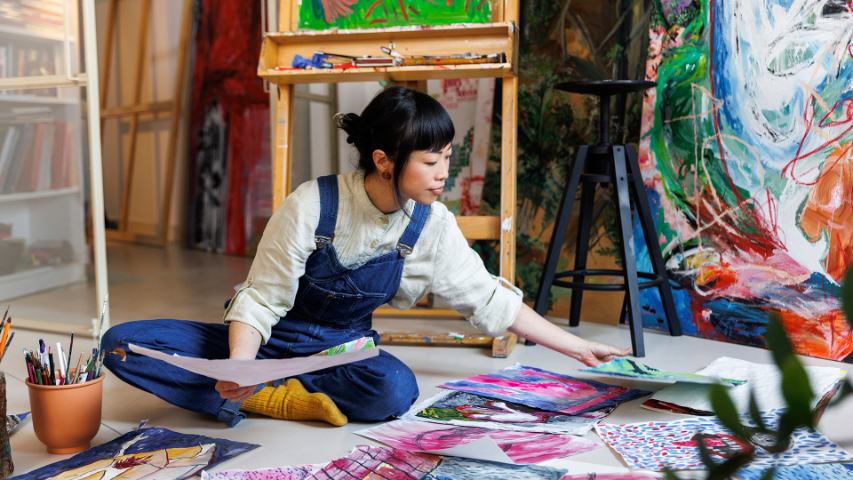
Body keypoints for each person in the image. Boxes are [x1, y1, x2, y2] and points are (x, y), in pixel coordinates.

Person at [102, 86, 630, 428]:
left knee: (394, 390)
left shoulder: (432, 224)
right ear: (384, 160)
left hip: (340, 353)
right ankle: (261, 389)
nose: (444, 173)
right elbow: (261, 298)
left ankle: (271, 395)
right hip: (269, 340)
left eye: (448, 158)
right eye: (431, 161)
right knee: (123, 345)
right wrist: (241, 364)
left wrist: (578, 346)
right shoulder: (312, 204)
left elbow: (488, 299)